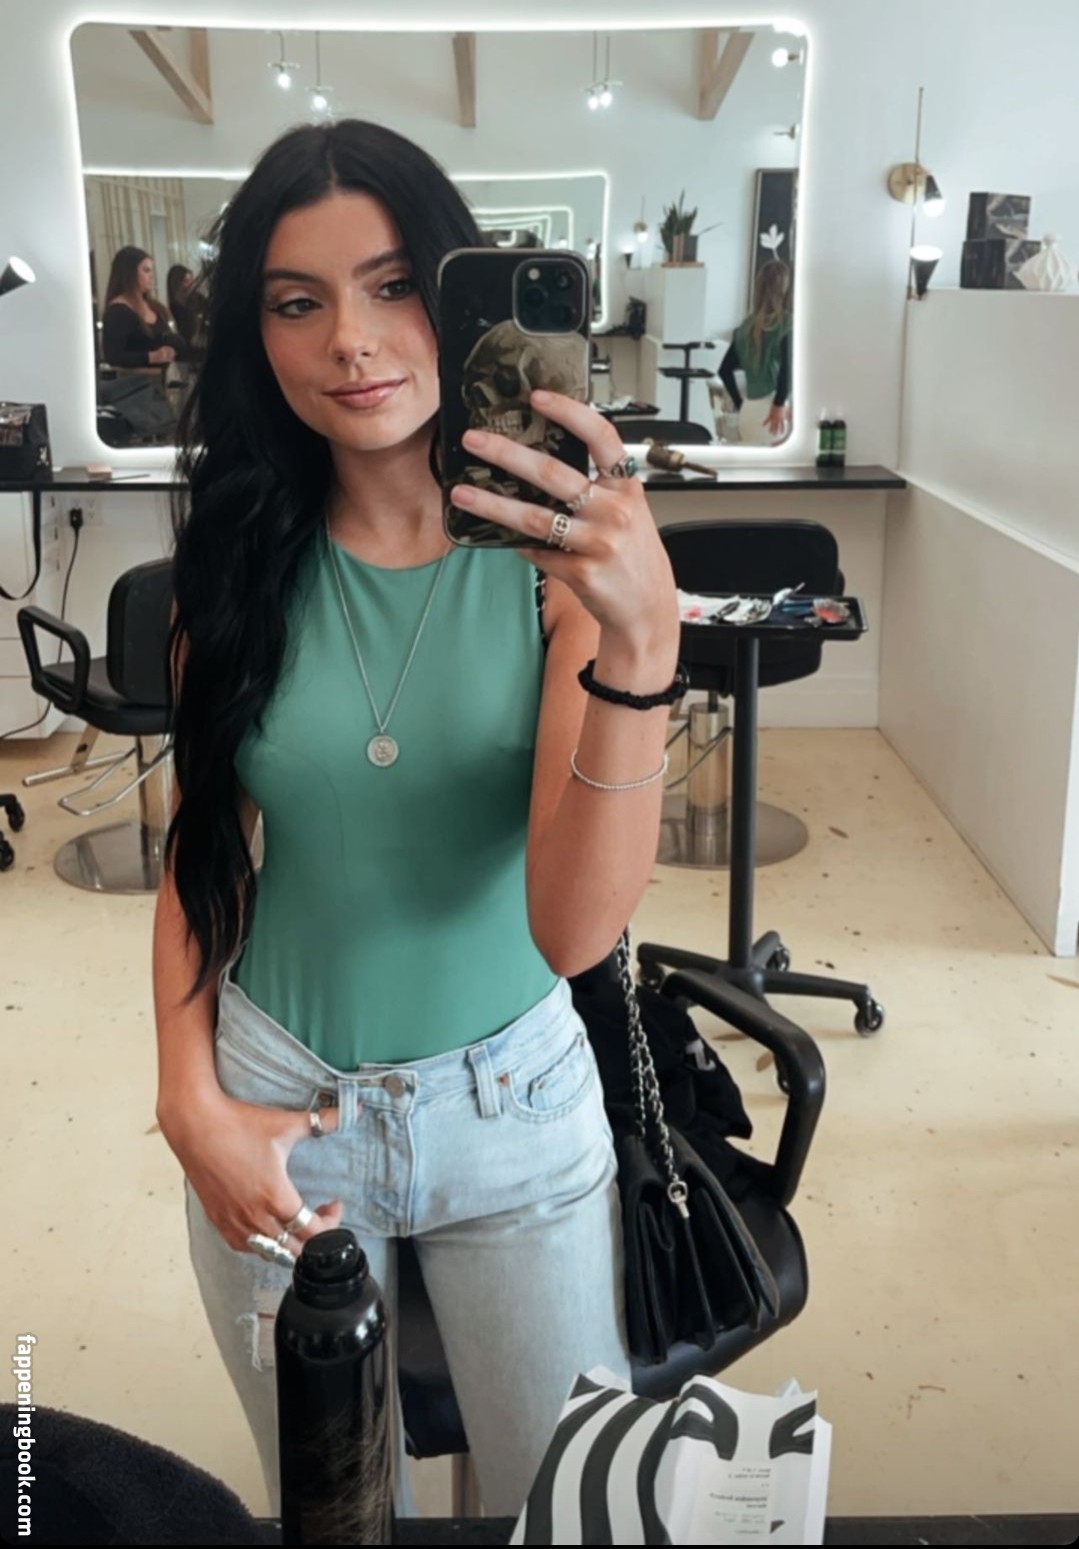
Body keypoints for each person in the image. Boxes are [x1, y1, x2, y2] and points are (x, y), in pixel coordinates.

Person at [155, 119, 680, 1521]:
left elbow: (572, 930)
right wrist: (188, 1097)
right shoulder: (234, 559)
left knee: (558, 1510)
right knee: (333, 1511)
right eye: (296, 301)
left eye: (392, 286)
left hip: (512, 1107)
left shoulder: (556, 563)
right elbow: (201, 853)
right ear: (255, 332)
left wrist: (641, 646)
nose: (350, 340)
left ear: (456, 294)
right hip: (276, 1101)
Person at [717, 258, 793, 445]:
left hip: (749, 410)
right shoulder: (786, 324)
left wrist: (740, 403)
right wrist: (779, 403)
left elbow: (724, 370)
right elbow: (787, 370)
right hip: (773, 412)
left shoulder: (745, 327)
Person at [101, 246, 181, 370]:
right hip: (136, 380)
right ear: (130, 272)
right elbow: (113, 356)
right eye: (146, 270)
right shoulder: (117, 311)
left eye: (151, 271)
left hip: (162, 377)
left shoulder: (154, 306)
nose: (151, 276)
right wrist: (151, 357)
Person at [167, 263, 208, 357]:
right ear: (176, 284)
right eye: (186, 281)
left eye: (191, 281)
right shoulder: (172, 310)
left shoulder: (198, 299)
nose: (191, 285)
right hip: (186, 354)